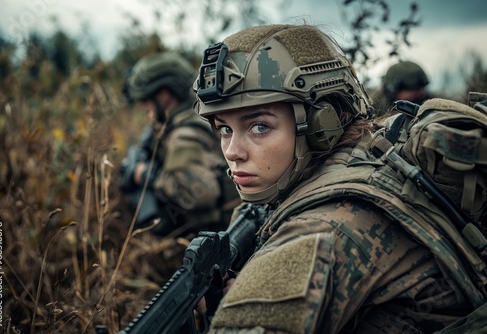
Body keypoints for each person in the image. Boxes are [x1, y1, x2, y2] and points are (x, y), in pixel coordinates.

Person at [192, 24, 487, 333]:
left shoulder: (323, 229)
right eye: (224, 128)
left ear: (323, 123)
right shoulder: (369, 149)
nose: (233, 151)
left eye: (259, 127)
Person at [120, 52, 240, 237]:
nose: (143, 107)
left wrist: (144, 175)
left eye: (145, 99)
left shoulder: (184, 135)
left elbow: (199, 193)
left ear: (165, 93)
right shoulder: (193, 117)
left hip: (216, 238)